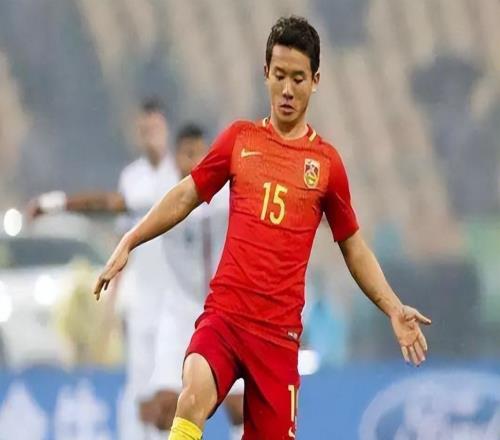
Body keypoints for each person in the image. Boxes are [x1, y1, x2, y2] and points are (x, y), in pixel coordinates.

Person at [94, 16, 432, 440]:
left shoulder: (326, 164)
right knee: (192, 394)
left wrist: (393, 307)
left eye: (298, 78)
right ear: (266, 73)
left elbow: (353, 247)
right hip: (225, 318)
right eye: (279, 75)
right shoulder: (240, 140)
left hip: (278, 339)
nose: (287, 89)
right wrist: (131, 239)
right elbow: (185, 195)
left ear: (316, 81)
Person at [27, 98, 180, 440]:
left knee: (171, 398)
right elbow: (120, 234)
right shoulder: (133, 178)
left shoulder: (180, 175)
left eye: (155, 128)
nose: (150, 136)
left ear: (166, 130)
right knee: (142, 399)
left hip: (178, 305)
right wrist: (112, 303)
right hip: (143, 303)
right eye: (144, 130)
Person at [145, 123, 244, 439]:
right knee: (165, 408)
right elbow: (114, 204)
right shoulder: (161, 196)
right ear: (176, 158)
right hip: (179, 310)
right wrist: (57, 203)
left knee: (240, 407)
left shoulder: (227, 195)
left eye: (202, 153)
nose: (196, 160)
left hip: (222, 310)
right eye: (189, 154)